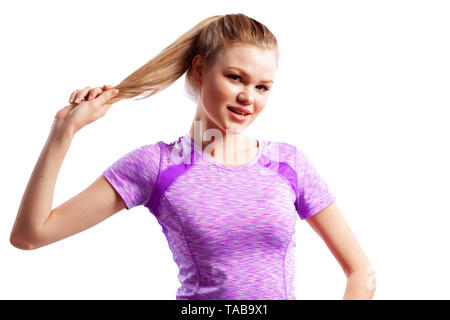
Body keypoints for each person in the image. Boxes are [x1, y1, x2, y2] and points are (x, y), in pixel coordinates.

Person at [10, 13, 376, 300]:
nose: (249, 97)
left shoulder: (289, 165)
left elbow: (362, 274)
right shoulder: (156, 167)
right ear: (200, 70)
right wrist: (63, 134)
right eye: (236, 77)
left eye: (262, 86)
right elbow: (30, 235)